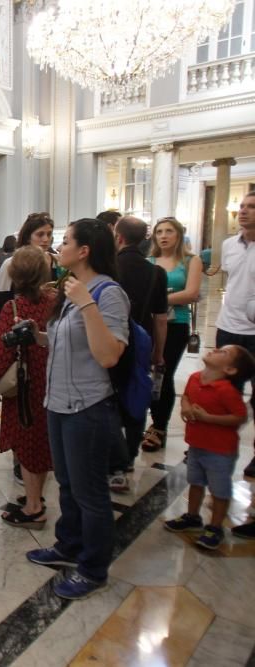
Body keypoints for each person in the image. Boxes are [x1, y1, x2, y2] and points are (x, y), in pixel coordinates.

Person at [26, 218, 129, 601]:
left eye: (65, 241)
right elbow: (67, 344)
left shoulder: (107, 293)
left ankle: (93, 568)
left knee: (90, 493)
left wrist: (86, 303)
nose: (59, 246)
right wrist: (35, 335)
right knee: (68, 484)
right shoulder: (71, 290)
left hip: (88, 405)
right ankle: (68, 545)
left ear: (84, 250)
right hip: (59, 402)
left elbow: (108, 355)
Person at [0, 247, 54, 527]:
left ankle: (34, 507)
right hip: (49, 377)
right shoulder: (54, 301)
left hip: (24, 382)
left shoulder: (12, 308)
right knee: (41, 439)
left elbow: (3, 351)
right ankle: (35, 495)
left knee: (26, 443)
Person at [164, 345, 255, 549]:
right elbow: (186, 396)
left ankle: (215, 527)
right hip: (196, 445)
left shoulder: (226, 391)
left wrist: (208, 418)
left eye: (223, 353)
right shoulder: (195, 378)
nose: (215, 349)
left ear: (230, 370)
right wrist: (186, 407)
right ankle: (192, 516)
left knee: (219, 489)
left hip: (220, 451)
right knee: (195, 482)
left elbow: (239, 417)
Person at [108, 216, 167, 492]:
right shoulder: (156, 273)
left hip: (108, 341)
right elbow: (160, 319)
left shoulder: (108, 269)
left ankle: (113, 464)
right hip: (140, 345)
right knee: (135, 398)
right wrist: (159, 353)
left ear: (118, 237)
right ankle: (129, 457)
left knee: (108, 400)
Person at [141, 217, 203, 454]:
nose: (163, 236)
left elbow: (191, 293)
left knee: (163, 373)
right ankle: (145, 421)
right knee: (147, 373)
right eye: (159, 232)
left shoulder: (190, 261)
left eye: (169, 231)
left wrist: (159, 299)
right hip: (151, 322)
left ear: (178, 235)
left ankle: (158, 427)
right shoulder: (149, 261)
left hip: (176, 323)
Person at [213, 192, 255, 480]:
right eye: (242, 206)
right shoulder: (229, 245)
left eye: (251, 207)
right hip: (229, 326)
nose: (243, 212)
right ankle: (217, 446)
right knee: (224, 392)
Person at [0, 213, 57, 311]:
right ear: (28, 237)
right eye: (40, 234)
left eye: (49, 234)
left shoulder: (57, 262)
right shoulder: (11, 263)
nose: (46, 239)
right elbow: (3, 302)